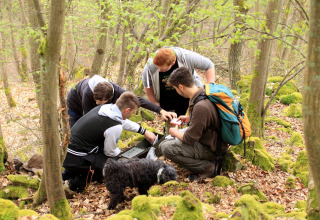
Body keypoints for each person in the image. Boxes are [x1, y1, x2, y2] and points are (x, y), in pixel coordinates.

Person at [62, 92, 157, 192]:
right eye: (132, 112)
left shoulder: (106, 109)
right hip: (78, 158)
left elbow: (122, 121)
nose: (131, 115)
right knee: (113, 166)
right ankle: (74, 184)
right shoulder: (114, 126)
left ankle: (67, 174)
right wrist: (119, 155)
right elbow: (110, 152)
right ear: (127, 110)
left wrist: (144, 131)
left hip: (66, 153)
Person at [158, 67, 228, 178]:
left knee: (166, 148)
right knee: (163, 144)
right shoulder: (203, 93)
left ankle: (207, 167)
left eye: (176, 88)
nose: (176, 91)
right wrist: (190, 118)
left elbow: (189, 138)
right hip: (212, 141)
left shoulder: (200, 106)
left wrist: (175, 132)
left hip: (211, 148)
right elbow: (208, 118)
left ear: (181, 87)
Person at [67, 75, 176, 127]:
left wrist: (161, 111)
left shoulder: (116, 90)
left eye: (99, 102)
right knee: (76, 131)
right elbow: (88, 119)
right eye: (95, 101)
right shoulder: (87, 93)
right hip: (75, 104)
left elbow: (138, 100)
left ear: (110, 98)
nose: (96, 103)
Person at [142, 47, 215, 116]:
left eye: (162, 69)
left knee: (191, 119)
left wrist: (209, 90)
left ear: (172, 63)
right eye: (157, 68)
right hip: (165, 97)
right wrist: (154, 103)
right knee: (170, 121)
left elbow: (209, 65)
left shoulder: (186, 57)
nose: (159, 70)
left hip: (187, 94)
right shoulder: (150, 65)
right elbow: (147, 84)